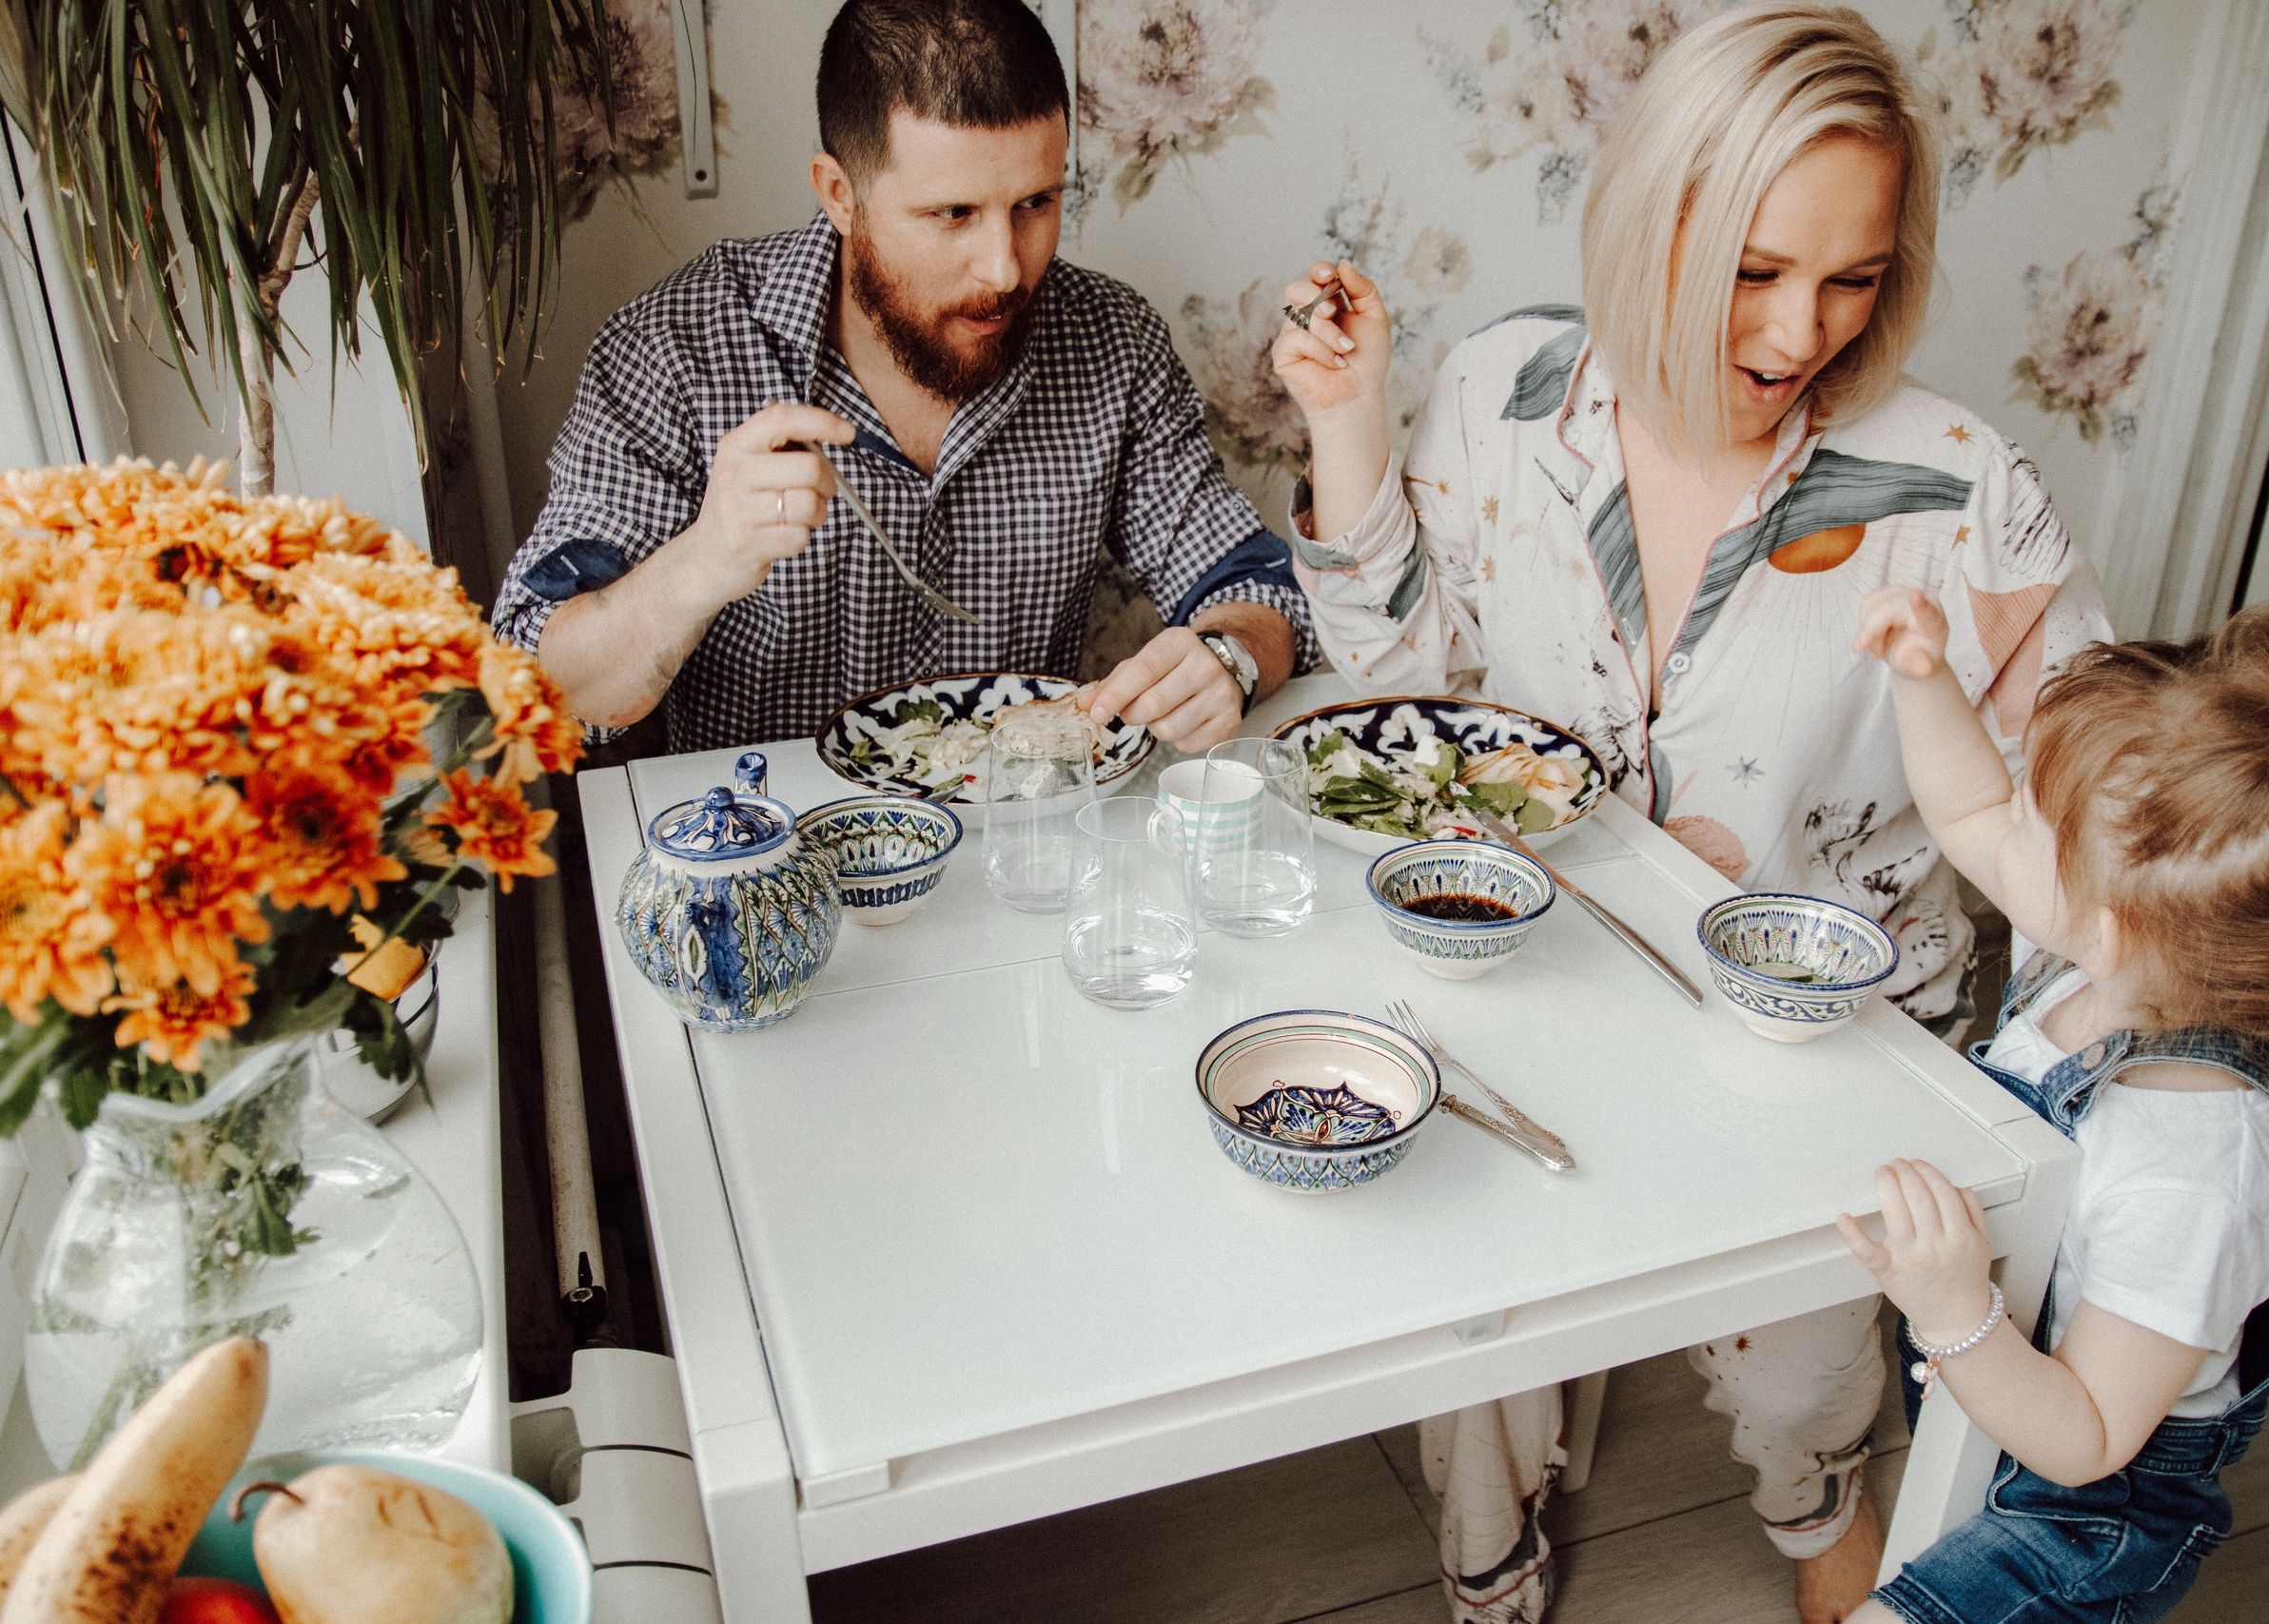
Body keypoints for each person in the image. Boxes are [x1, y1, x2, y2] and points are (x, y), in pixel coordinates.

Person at [1267, 7, 2109, 1620]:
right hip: (1533, 984)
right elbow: (1406, 689)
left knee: (1802, 1391)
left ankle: (1814, 1500)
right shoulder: (1499, 388)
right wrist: (1348, 426)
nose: (1802, 331)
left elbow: (2098, 808)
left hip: (1827, 1056)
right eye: (1754, 268)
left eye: (1851, 276)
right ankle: (1491, 1550)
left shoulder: (1953, 484)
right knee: (1483, 1323)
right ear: (1656, 222)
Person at [491, 0, 1310, 756]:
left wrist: (1227, 656)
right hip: (771, 870)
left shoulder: (1110, 341)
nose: (1003, 268)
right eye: (953, 214)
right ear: (840, 194)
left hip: (1017, 853)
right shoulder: (676, 350)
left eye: (1035, 203)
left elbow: (1261, 589)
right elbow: (531, 681)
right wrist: (700, 564)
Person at [1839, 595, 2269, 1623]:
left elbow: (2085, 1436)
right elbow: (1970, 810)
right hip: (1995, 1389)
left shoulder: (2193, 1170)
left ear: (2107, 930)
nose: (2000, 823)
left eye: (2031, 818)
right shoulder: (2095, 959)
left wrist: (1945, 1311)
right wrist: (1922, 682)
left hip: (2081, 1513)